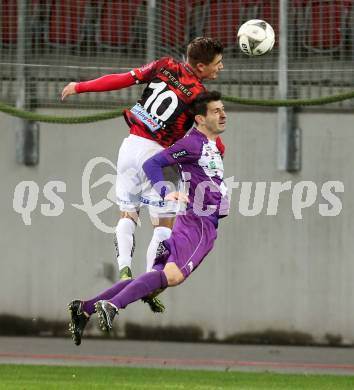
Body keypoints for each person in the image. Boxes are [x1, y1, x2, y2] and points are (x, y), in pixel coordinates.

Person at [62, 37, 225, 314]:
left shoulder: (164, 65)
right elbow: (200, 134)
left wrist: (80, 86)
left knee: (128, 214)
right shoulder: (198, 94)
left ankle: (124, 268)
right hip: (155, 155)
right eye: (217, 64)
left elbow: (123, 78)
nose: (221, 68)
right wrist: (217, 148)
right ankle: (149, 280)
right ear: (200, 66)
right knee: (163, 223)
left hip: (129, 146)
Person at [68, 91, 229, 345]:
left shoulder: (213, 146)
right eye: (216, 111)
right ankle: (111, 305)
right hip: (197, 222)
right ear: (199, 118)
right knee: (173, 276)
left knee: (154, 282)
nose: (223, 114)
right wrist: (166, 191)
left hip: (197, 220)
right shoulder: (193, 143)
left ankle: (85, 308)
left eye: (223, 109)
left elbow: (204, 177)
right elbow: (153, 164)